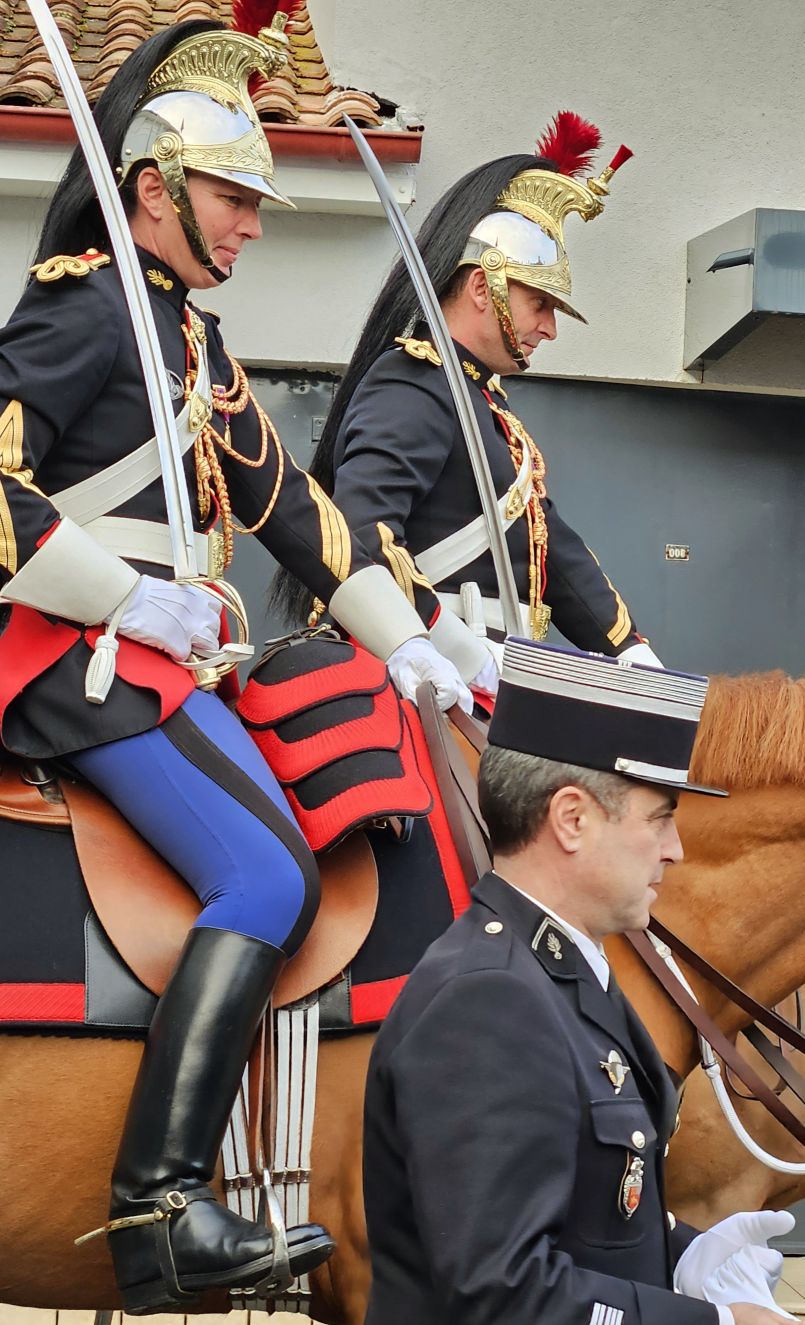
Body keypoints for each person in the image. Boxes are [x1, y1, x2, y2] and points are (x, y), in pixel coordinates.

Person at [0, 12, 471, 1316]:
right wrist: (124, 599)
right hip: (71, 661)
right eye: (233, 196)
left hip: (156, 671)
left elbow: (305, 523)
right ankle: (156, 1202)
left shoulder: (194, 345)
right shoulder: (89, 311)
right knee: (263, 868)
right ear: (153, 190)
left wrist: (410, 642)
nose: (255, 222)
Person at [362, 638, 794, 1324]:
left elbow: (583, 1220)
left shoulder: (564, 973)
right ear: (570, 818)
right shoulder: (488, 1001)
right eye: (659, 818)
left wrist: (683, 1252)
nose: (674, 849)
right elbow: (499, 1293)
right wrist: (714, 1323)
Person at [273, 114, 661, 696]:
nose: (550, 329)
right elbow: (364, 536)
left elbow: (549, 546)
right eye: (540, 304)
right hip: (424, 674)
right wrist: (452, 648)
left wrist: (630, 651)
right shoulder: (412, 384)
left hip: (497, 674)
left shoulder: (482, 402)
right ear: (483, 287)